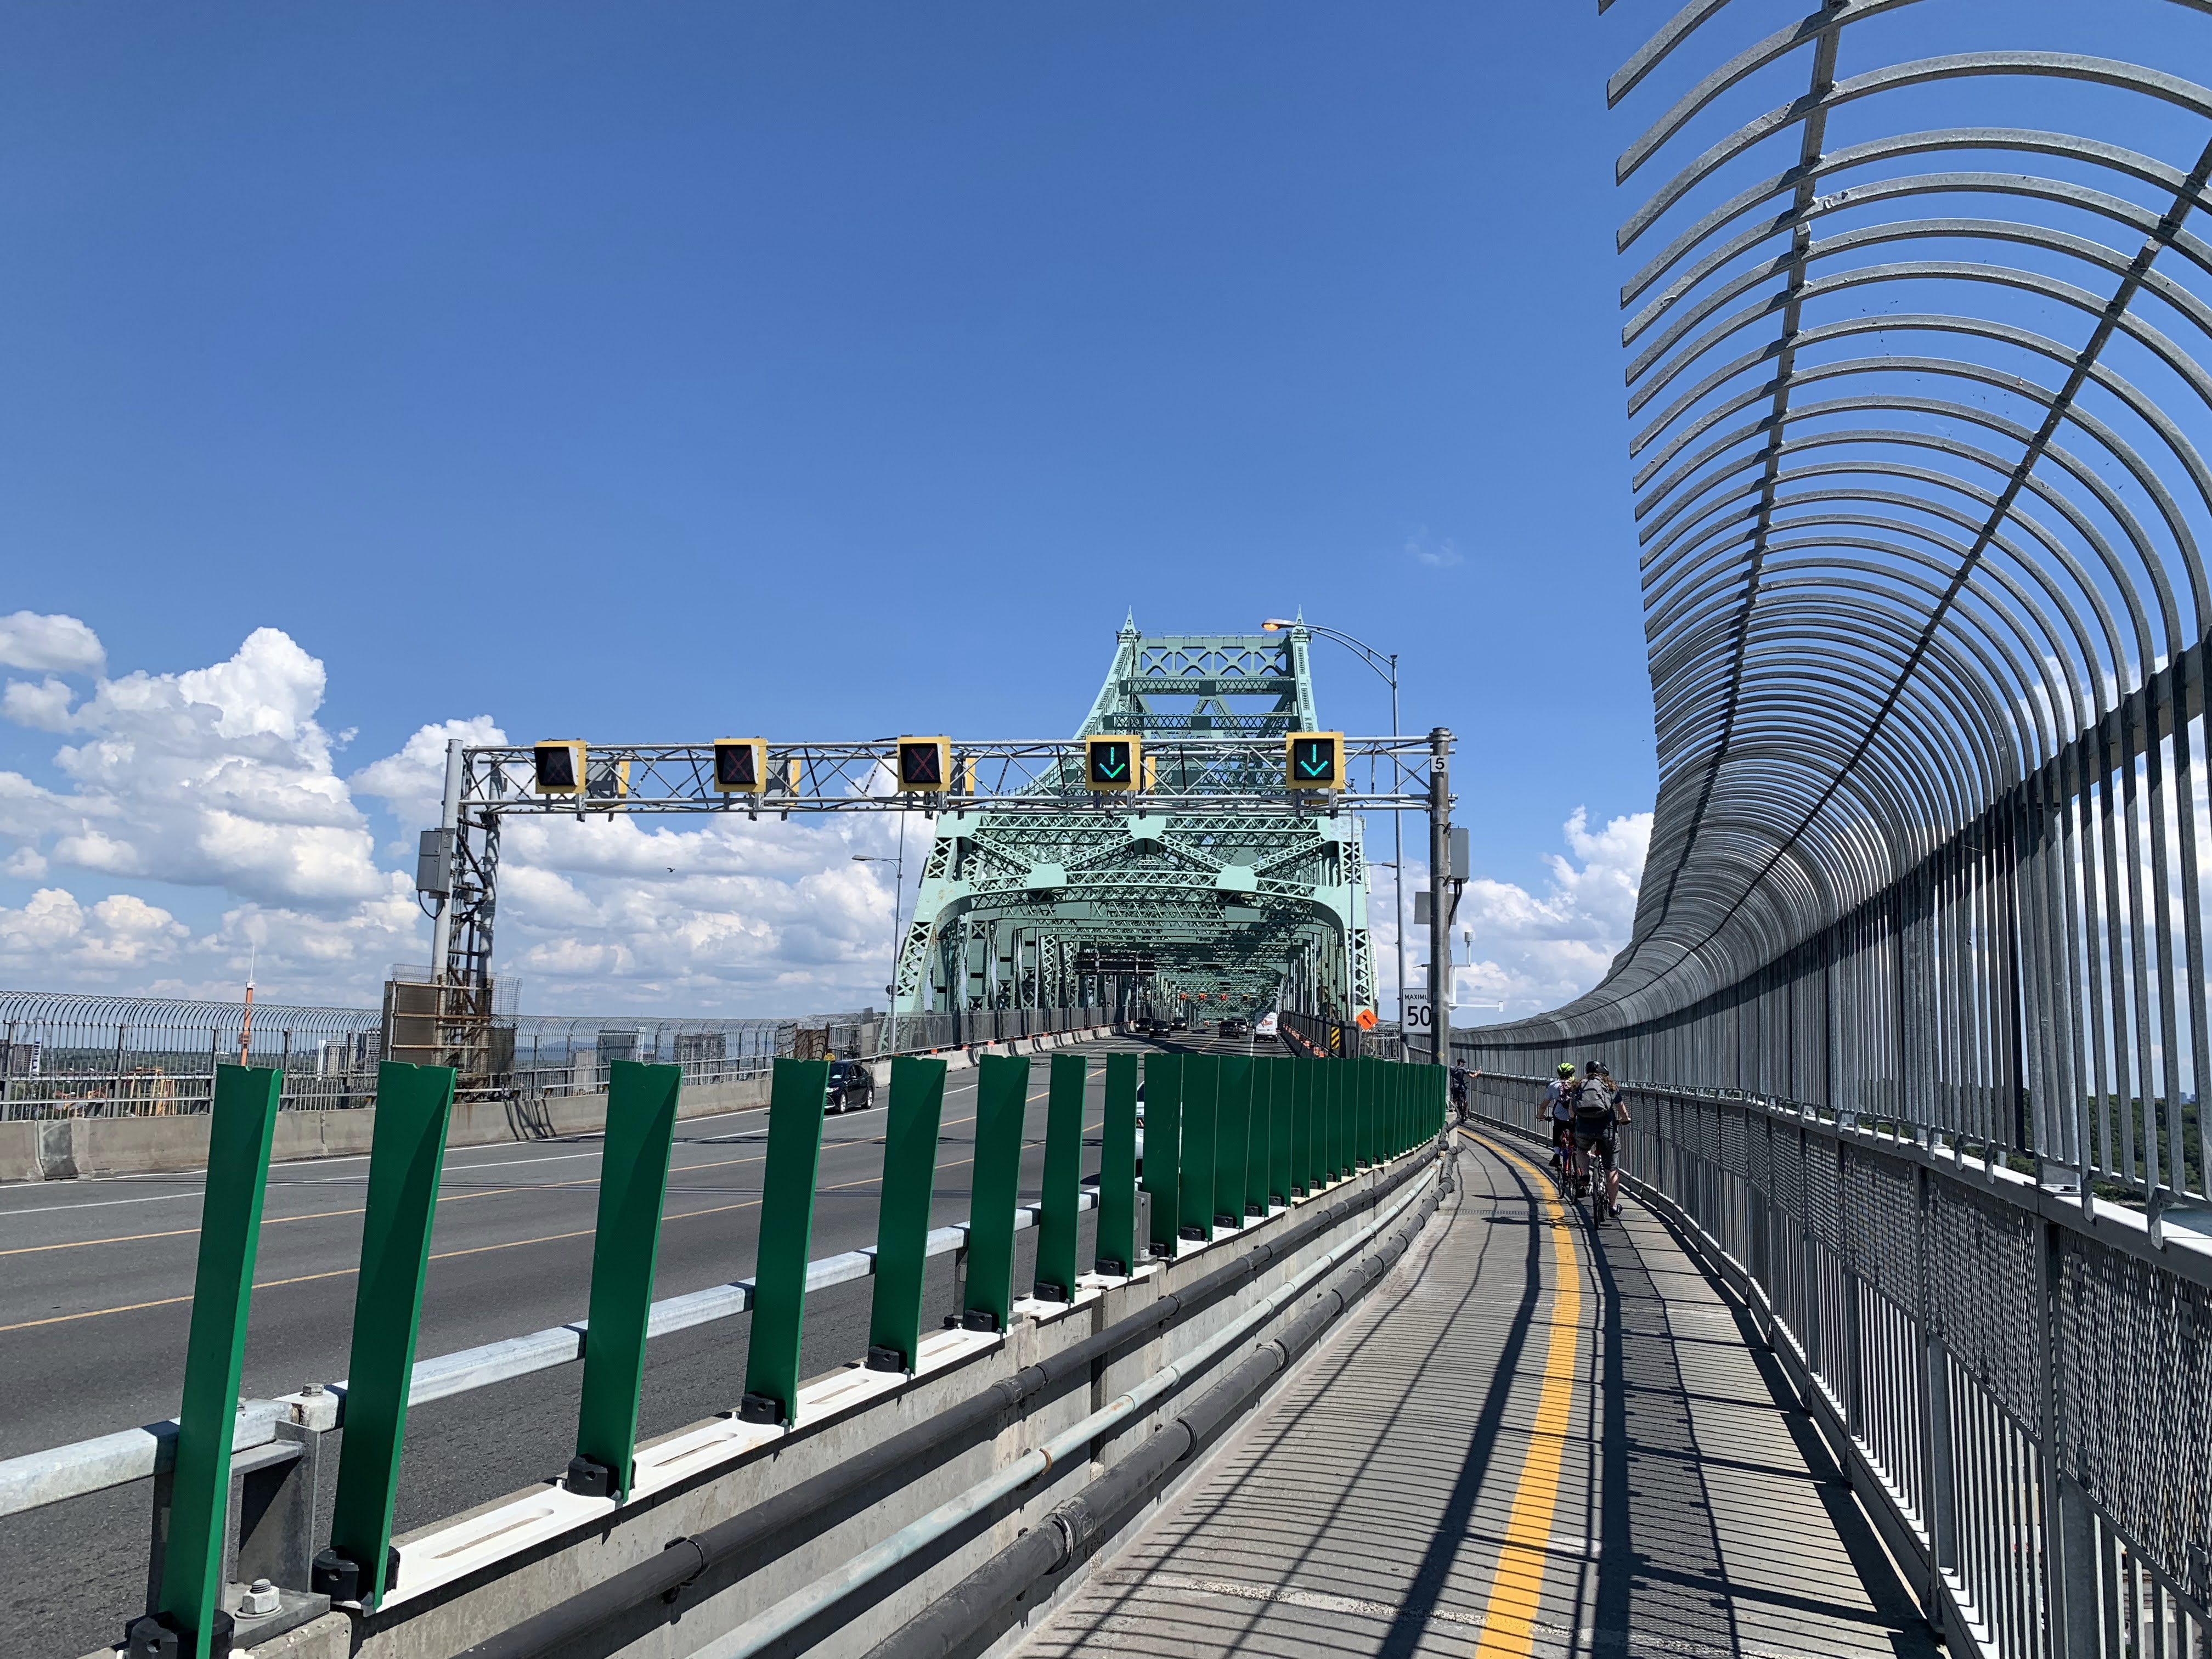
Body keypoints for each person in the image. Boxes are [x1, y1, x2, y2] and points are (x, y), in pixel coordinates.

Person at [1571, 1059, 1624, 1221]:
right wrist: (1625, 1119)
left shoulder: (1579, 1086)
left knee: (1582, 1149)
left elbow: (1572, 1111)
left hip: (1584, 1129)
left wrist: (1573, 1120)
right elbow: (1622, 1109)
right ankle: (1613, 1207)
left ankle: (1586, 1174)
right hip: (1607, 1131)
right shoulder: (1610, 1086)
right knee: (1611, 1169)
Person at [1538, 1062, 1576, 1169]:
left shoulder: (1553, 1086)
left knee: (1557, 1131)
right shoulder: (1578, 1085)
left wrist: (1540, 1115)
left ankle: (1556, 1154)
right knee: (1577, 1136)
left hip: (1560, 1116)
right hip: (1576, 1116)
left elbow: (1544, 1104)